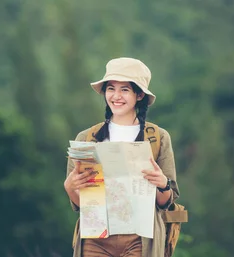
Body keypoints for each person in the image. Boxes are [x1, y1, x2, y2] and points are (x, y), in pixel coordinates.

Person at [64, 57, 180, 257]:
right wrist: (69, 187)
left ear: (140, 94)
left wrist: (163, 183)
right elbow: (80, 204)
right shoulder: (87, 138)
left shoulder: (157, 138)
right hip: (96, 237)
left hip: (139, 238)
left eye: (124, 89)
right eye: (111, 88)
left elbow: (165, 202)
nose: (116, 96)